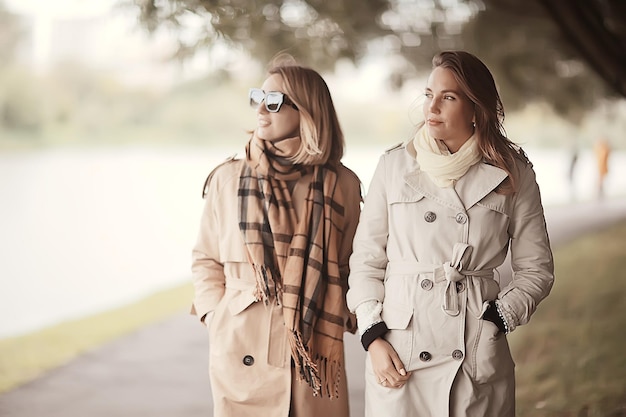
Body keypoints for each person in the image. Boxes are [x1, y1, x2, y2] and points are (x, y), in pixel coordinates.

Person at [346, 50, 555, 416]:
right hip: (400, 352)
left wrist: (499, 319)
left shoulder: (513, 173)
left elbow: (536, 270)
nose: (433, 107)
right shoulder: (394, 165)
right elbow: (366, 259)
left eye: (449, 97)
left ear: (476, 108)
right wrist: (372, 337)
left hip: (474, 347)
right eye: (429, 95)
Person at [191, 59, 362, 417]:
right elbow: (206, 258)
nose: (261, 110)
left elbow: (355, 266)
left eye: (274, 101)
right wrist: (215, 316)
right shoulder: (228, 178)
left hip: (313, 354)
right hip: (240, 345)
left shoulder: (342, 185)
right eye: (258, 97)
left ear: (307, 110)